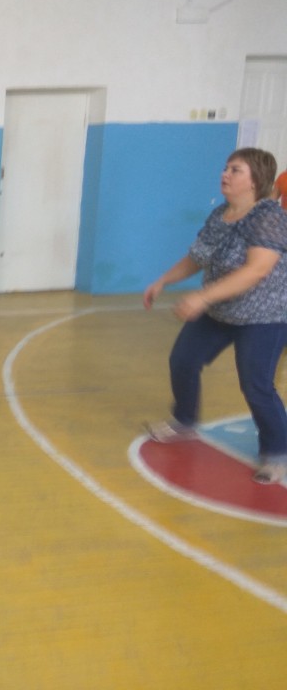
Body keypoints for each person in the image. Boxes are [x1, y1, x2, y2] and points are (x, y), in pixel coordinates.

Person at [143, 147, 287, 484]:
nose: (225, 174)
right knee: (183, 360)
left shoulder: (268, 217)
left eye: (235, 170)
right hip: (220, 311)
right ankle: (184, 421)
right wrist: (164, 280)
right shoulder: (221, 214)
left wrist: (202, 297)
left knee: (256, 385)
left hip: (265, 316)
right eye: (226, 168)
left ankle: (277, 452)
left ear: (255, 181)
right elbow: (197, 257)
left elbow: (256, 270)